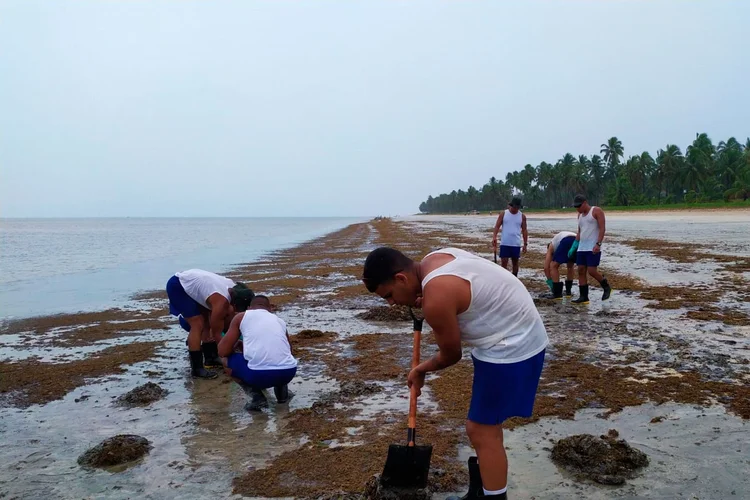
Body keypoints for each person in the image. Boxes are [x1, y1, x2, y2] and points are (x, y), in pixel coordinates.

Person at [362, 247, 548, 500]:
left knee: (482, 430)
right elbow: (462, 294)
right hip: (513, 329)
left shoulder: (436, 296)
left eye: (389, 295)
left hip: (512, 344)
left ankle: (492, 497)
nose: (391, 303)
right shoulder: (433, 260)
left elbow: (451, 355)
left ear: (401, 278)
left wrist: (420, 369)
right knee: (484, 426)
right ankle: (480, 490)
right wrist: (429, 300)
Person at [166, 269, 254, 378]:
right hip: (179, 286)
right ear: (234, 303)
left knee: (206, 319)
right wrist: (229, 355)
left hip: (197, 285)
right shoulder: (221, 302)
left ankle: (210, 358)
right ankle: (197, 369)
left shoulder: (235, 288)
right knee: (197, 324)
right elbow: (217, 333)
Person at [218, 295, 297, 411]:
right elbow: (288, 351)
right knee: (279, 357)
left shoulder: (241, 317)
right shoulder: (279, 321)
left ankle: (257, 398)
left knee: (225, 361)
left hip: (259, 376)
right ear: (269, 308)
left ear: (249, 308)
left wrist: (234, 348)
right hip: (288, 373)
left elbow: (222, 351)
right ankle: (282, 396)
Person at [571, 194, 612, 304]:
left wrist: (598, 244)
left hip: (592, 246)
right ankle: (583, 296)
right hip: (582, 247)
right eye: (576, 207)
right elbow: (580, 231)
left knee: (592, 271)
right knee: (580, 270)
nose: (577, 209)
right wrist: (574, 245)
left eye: (579, 206)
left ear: (585, 203)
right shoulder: (579, 215)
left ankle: (606, 286)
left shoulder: (596, 211)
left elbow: (602, 228)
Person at [491, 197, 528, 276]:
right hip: (505, 242)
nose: (515, 209)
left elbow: (524, 230)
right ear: (511, 205)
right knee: (504, 263)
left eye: (517, 207)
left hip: (516, 243)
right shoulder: (503, 214)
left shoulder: (522, 216)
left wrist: (525, 244)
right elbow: (497, 226)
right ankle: (504, 279)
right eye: (514, 207)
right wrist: (494, 237)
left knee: (515, 262)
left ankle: (515, 278)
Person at [542, 230, 578, 299]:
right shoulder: (557, 240)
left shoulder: (551, 246)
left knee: (553, 266)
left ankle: (557, 294)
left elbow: (546, 268)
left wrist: (550, 283)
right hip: (577, 240)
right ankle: (568, 292)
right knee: (570, 265)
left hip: (567, 240)